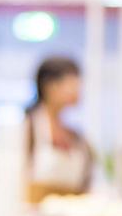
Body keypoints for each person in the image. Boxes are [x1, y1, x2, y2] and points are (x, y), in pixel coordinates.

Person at [26, 57, 92, 203]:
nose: (77, 90)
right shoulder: (28, 128)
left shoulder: (75, 135)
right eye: (72, 83)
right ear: (49, 86)